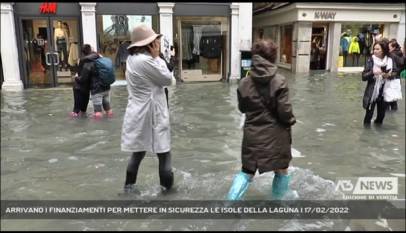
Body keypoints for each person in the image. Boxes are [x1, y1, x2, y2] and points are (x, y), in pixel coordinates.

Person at [227, 39, 297, 201]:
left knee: (246, 172)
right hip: (276, 138)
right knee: (281, 170)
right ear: (272, 57)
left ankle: (229, 204)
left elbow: (242, 108)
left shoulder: (244, 83)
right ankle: (276, 204)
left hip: (252, 136)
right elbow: (285, 112)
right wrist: (292, 120)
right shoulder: (279, 81)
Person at [121, 25, 174, 193]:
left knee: (137, 153)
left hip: (137, 112)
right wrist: (158, 57)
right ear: (149, 44)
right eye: (155, 41)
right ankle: (168, 194)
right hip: (152, 114)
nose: (157, 43)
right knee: (164, 153)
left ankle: (128, 188)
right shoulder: (147, 61)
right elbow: (168, 80)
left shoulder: (131, 59)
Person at [362, 40, 397, 127]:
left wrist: (388, 75)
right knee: (368, 117)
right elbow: (363, 77)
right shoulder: (371, 60)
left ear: (383, 50)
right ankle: (366, 137)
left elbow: (395, 73)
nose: (375, 51)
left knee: (381, 117)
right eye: (374, 49)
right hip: (372, 93)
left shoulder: (390, 60)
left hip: (384, 92)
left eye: (377, 49)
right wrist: (373, 72)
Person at [76, 44, 113, 119]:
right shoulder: (100, 58)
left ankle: (99, 128)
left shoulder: (87, 63)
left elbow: (83, 79)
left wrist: (76, 77)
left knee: (98, 112)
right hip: (106, 88)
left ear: (83, 53)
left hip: (97, 90)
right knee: (108, 110)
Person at [387, 39, 404, 111]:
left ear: (393, 47)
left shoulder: (392, 55)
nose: (388, 48)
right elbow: (402, 66)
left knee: (387, 99)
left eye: (389, 47)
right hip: (397, 79)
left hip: (392, 79)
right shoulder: (400, 54)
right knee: (394, 100)